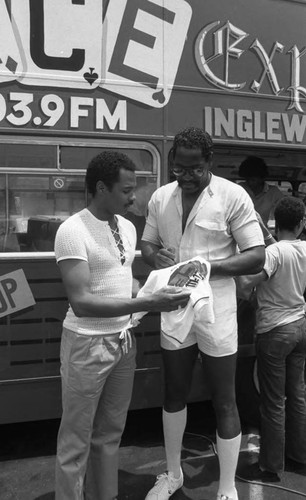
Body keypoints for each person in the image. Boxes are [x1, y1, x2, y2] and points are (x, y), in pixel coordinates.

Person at [54, 150, 191, 500]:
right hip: (86, 345)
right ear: (102, 188)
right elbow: (81, 302)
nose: (134, 197)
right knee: (75, 441)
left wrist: (160, 287)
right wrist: (147, 302)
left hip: (122, 342)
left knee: (110, 434)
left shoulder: (128, 227)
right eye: (127, 189)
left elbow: (120, 282)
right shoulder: (72, 230)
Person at [140, 127, 265, 500]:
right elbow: (147, 244)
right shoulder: (161, 198)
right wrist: (153, 256)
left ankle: (227, 488)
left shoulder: (232, 196)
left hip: (218, 310)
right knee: (173, 393)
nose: (186, 176)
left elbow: (256, 254)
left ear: (209, 162)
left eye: (194, 169)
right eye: (179, 168)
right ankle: (173, 474)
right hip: (175, 305)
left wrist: (208, 267)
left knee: (224, 398)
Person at [238, 196, 306, 481]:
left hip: (274, 331)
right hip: (301, 327)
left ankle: (270, 465)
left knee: (273, 401)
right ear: (302, 223)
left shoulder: (273, 252)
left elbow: (245, 285)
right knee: (298, 394)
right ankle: (300, 455)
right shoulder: (305, 248)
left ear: (275, 223)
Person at [238, 156, 284, 227]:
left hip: (262, 233)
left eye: (253, 180)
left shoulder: (274, 193)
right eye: (247, 179)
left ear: (262, 178)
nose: (250, 183)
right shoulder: (238, 189)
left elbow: (285, 211)